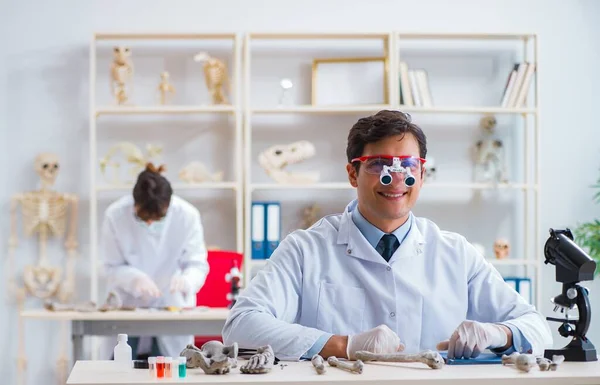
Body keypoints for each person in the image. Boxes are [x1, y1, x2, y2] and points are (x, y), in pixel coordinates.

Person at [222, 110, 552, 361]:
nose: (396, 179)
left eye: (407, 166)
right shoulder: (306, 249)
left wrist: (500, 333)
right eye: (379, 165)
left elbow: (537, 327)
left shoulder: (455, 253)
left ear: (422, 174)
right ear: (353, 173)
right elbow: (241, 325)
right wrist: (342, 345)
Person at [101, 163, 210, 358]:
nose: (150, 223)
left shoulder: (187, 215)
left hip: (171, 303)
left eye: (157, 218)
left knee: (172, 372)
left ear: (168, 206)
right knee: (120, 371)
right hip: (129, 304)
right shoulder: (115, 215)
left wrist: (186, 280)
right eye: (143, 217)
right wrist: (134, 279)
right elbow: (111, 266)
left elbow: (197, 264)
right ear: (134, 203)